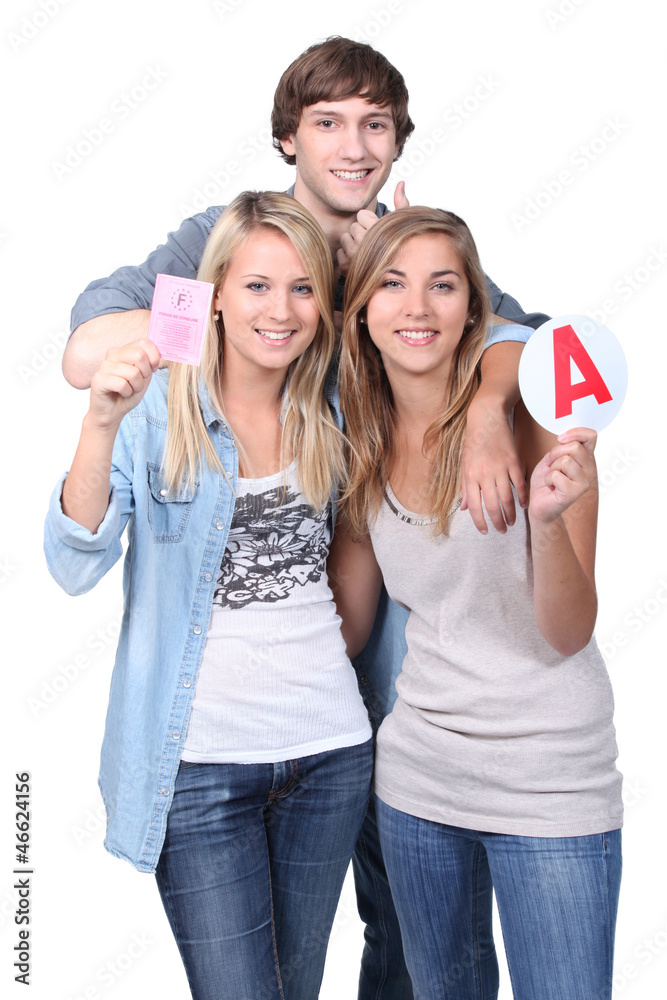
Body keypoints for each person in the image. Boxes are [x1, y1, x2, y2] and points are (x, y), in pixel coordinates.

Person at [59, 37, 548, 999]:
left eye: (375, 125)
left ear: (398, 141)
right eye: (328, 122)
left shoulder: (407, 250)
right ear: (288, 137)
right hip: (239, 695)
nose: (352, 147)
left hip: (390, 657)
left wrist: (482, 398)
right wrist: (264, 304)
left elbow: (529, 341)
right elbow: (86, 349)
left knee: (415, 922)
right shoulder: (229, 237)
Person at [45, 191, 375, 1000]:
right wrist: (99, 424)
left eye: (302, 288)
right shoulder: (156, 407)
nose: (280, 311)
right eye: (257, 286)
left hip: (329, 753)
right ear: (213, 294)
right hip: (198, 770)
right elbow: (74, 565)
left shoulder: (335, 403)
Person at [330, 206, 623, 1000]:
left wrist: (547, 521)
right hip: (418, 784)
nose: (416, 308)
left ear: (472, 309)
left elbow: (567, 631)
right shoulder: (362, 443)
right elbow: (344, 629)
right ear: (361, 308)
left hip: (549, 785)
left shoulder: (539, 422)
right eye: (391, 284)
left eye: (442, 285)